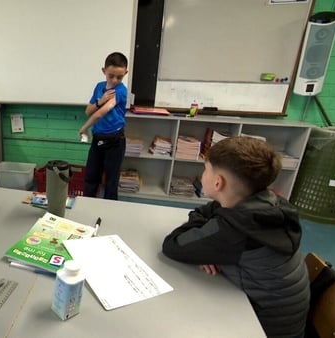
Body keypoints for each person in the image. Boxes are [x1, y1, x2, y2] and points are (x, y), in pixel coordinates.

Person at [161, 136, 310, 338]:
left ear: (218, 182)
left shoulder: (234, 231)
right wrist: (209, 248)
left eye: (206, 169)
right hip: (286, 324)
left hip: (260, 328)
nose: (202, 174)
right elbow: (212, 210)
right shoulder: (270, 203)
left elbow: (172, 245)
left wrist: (207, 246)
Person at [79, 52, 128, 200]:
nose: (114, 80)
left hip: (114, 141)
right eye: (111, 75)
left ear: (125, 73)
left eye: (119, 77)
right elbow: (89, 110)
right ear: (104, 71)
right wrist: (100, 100)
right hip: (98, 139)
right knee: (91, 178)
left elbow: (100, 113)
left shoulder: (120, 90)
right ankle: (86, 208)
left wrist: (84, 128)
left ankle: (108, 215)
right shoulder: (99, 87)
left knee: (111, 182)